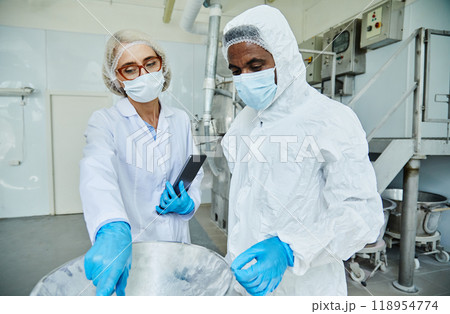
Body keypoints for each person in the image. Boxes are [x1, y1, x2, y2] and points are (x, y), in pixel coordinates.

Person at [220, 5, 384, 296]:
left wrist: (289, 248)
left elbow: (361, 215)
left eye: (255, 66)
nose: (245, 78)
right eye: (236, 71)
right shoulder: (245, 121)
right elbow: (245, 198)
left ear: (282, 57)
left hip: (305, 287)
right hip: (243, 279)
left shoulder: (331, 120)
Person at [79, 29, 203, 296]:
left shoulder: (180, 119)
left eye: (149, 63)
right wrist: (111, 226)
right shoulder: (105, 122)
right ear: (117, 79)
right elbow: (96, 169)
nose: (144, 74)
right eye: (130, 69)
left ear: (162, 64)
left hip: (178, 244)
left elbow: (194, 168)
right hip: (136, 247)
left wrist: (189, 201)